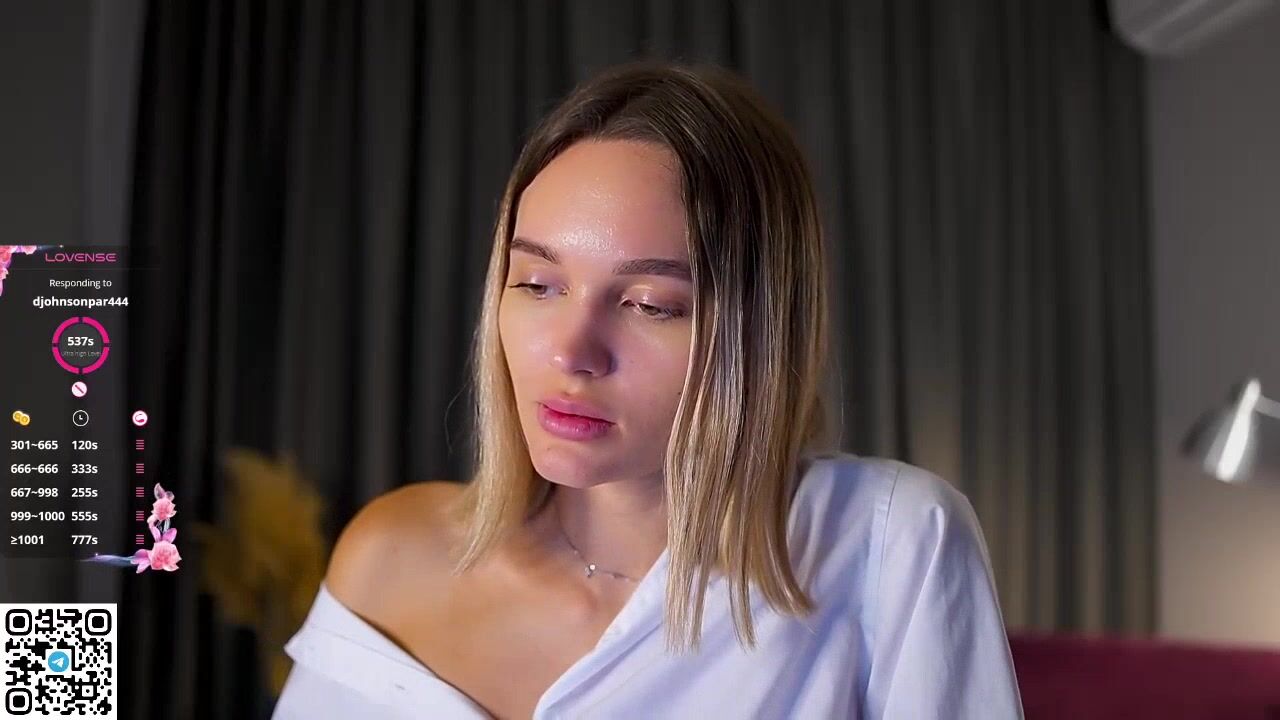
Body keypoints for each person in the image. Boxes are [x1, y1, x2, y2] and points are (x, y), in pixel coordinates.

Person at [274, 58, 1024, 719]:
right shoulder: (390, 554)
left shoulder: (889, 544)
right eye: (537, 284)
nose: (571, 352)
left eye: (650, 305)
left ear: (759, 330)